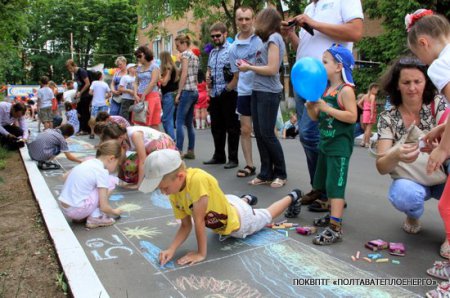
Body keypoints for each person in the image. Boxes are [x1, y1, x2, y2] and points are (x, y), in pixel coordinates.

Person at [138, 149, 302, 265]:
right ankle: (245, 199)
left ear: (180, 176)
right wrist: (171, 249)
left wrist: (201, 254)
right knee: (228, 205)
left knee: (267, 214)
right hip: (225, 204)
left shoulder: (197, 180)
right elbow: (186, 225)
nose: (163, 192)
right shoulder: (174, 191)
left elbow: (199, 221)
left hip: (240, 221)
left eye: (164, 187)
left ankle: (293, 196)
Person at [281, 0, 363, 205]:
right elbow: (306, 48)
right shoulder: (310, 7)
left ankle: (329, 192)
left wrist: (313, 23)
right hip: (305, 79)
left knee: (313, 135)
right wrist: (290, 34)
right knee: (309, 136)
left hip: (326, 80)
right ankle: (321, 189)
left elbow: (355, 32)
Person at [376, 58, 447, 245]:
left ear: (426, 82)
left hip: (443, 176)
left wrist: (441, 148)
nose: (412, 88)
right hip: (413, 180)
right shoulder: (387, 118)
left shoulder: (437, 103)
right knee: (403, 195)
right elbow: (381, 166)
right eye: (406, 82)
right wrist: (395, 153)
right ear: (397, 85)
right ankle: (412, 215)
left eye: (418, 81)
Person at [406, 10, 450, 295]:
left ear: (424, 42)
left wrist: (442, 150)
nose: (423, 64)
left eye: (419, 57)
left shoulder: (441, 64)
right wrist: (441, 129)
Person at [304, 44, 357, 245]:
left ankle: (336, 227)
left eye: (325, 61)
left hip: (339, 147)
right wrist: (312, 107)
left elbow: (352, 117)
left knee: (336, 186)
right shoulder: (326, 89)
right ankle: (331, 215)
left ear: (338, 66)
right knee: (325, 183)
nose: (320, 65)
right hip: (325, 143)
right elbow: (317, 117)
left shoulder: (345, 91)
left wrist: (327, 107)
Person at [238, 7, 287, 188]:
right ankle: (266, 172)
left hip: (269, 92)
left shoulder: (275, 38)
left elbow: (273, 69)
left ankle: (281, 173)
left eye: (258, 18)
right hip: (258, 90)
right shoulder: (264, 40)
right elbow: (263, 65)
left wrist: (249, 68)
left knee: (267, 134)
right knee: (259, 133)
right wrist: (249, 64)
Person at [57, 140, 123, 229]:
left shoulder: (87, 162)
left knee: (94, 185)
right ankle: (96, 217)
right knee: (111, 180)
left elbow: (64, 177)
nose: (116, 168)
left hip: (66, 207)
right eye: (117, 164)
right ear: (111, 158)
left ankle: (82, 215)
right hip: (77, 209)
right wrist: (115, 212)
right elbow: (104, 207)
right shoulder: (101, 172)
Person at [229, 6, 262, 178]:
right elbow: (236, 74)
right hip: (244, 91)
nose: (244, 22)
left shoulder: (261, 39)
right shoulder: (233, 48)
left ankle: (268, 166)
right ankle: (250, 165)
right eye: (240, 19)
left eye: (247, 19)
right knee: (245, 129)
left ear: (253, 19)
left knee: (264, 131)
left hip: (262, 89)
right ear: (236, 20)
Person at [204, 22, 240, 169]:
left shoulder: (232, 49)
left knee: (232, 127)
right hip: (214, 93)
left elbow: (237, 73)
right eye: (213, 36)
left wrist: (228, 89)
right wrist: (207, 77)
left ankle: (233, 158)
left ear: (225, 34)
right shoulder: (212, 52)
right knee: (216, 127)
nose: (215, 38)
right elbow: (208, 69)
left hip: (229, 92)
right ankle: (219, 155)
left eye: (218, 35)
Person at [100, 123, 176, 189]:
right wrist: (119, 178)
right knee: (129, 166)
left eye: (111, 141)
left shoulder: (135, 135)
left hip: (163, 145)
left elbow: (143, 160)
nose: (111, 144)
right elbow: (121, 160)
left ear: (120, 137)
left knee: (141, 164)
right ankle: (150, 177)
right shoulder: (122, 139)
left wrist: (139, 185)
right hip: (150, 150)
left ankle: (157, 177)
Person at [174, 34, 199, 159]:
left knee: (179, 122)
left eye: (178, 45)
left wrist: (179, 92)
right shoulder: (194, 56)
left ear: (184, 44)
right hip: (195, 91)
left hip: (186, 91)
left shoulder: (185, 55)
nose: (177, 48)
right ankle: (191, 150)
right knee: (189, 123)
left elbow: (183, 75)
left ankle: (178, 150)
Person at [134, 46, 161, 130]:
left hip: (151, 95)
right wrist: (135, 94)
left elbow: (153, 82)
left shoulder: (154, 67)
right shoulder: (138, 68)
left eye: (139, 56)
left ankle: (157, 142)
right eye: (137, 57)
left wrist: (144, 94)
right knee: (140, 120)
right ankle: (144, 142)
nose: (138, 59)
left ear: (146, 54)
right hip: (139, 95)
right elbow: (136, 82)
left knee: (153, 122)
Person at [66, 59, 92, 136]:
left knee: (85, 112)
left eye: (70, 68)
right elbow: (79, 84)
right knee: (79, 112)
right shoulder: (76, 73)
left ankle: (86, 129)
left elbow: (87, 83)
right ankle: (81, 128)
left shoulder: (81, 71)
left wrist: (80, 92)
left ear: (74, 65)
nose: (70, 70)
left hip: (86, 95)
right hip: (81, 95)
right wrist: (77, 92)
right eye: (68, 69)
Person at [159, 51, 178, 140]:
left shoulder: (168, 68)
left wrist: (158, 78)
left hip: (168, 95)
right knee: (168, 118)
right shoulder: (173, 67)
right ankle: (170, 138)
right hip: (173, 94)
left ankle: (171, 139)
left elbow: (164, 83)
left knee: (166, 119)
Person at [89, 71, 111, 139]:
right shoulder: (105, 84)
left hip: (95, 103)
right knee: (103, 120)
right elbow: (109, 94)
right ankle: (103, 133)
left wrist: (95, 95)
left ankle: (92, 133)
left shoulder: (94, 83)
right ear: (101, 76)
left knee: (93, 119)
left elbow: (90, 92)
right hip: (103, 104)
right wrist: (104, 97)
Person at [358, 83, 379, 147]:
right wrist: (372, 114)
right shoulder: (373, 96)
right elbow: (372, 105)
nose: (377, 91)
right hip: (370, 113)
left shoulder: (365, 96)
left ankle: (363, 142)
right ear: (373, 88)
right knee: (369, 128)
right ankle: (367, 142)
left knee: (366, 128)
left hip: (365, 112)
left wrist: (364, 108)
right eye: (376, 89)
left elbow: (359, 103)